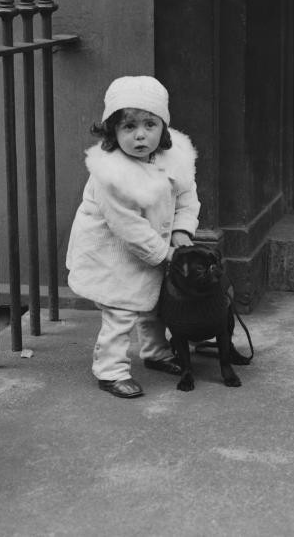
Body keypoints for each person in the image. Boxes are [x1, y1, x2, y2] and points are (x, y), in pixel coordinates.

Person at [65, 75, 200, 398]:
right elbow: (128, 227)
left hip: (156, 244)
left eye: (149, 125)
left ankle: (156, 352)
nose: (140, 135)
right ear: (112, 131)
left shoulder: (174, 157)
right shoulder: (112, 175)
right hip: (113, 252)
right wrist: (164, 253)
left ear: (163, 128)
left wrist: (182, 231)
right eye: (129, 127)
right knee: (121, 309)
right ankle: (110, 369)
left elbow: (187, 197)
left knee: (155, 303)